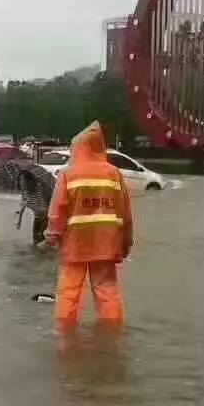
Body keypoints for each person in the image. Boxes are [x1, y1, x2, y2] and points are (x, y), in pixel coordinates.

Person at [46, 121, 134, 326]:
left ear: (77, 148)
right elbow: (126, 212)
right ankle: (112, 335)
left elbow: (56, 211)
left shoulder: (69, 173)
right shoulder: (114, 173)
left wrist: (52, 236)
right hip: (107, 243)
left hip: (75, 243)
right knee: (107, 291)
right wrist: (126, 242)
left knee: (69, 291)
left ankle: (65, 334)